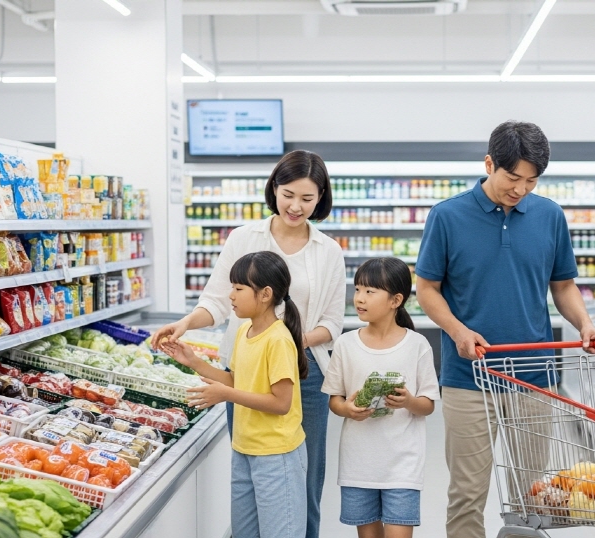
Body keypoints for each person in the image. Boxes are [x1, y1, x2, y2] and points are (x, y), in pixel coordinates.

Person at [414, 120, 595, 537]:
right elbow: (426, 288)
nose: (521, 189)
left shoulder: (550, 216)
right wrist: (457, 331)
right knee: (467, 492)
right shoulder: (447, 216)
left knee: (531, 493)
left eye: (532, 181)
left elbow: (563, 285)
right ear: (489, 163)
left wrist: (584, 322)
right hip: (470, 379)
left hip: (534, 377)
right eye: (513, 177)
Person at [151, 150, 345, 538]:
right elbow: (218, 300)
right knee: (252, 466)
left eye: (307, 199)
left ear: (321, 197)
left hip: (305, 373)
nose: (295, 206)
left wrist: (286, 341)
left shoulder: (328, 251)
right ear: (274, 188)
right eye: (288, 194)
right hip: (243, 367)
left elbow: (332, 323)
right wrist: (187, 323)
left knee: (304, 476)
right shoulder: (244, 237)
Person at [161, 251, 308, 538]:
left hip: (276, 454)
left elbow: (281, 403)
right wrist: (195, 362)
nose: (231, 296)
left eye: (239, 288)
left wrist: (226, 394)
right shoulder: (244, 332)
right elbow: (238, 380)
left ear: (265, 294)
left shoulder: (278, 340)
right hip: (244, 449)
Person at [322, 257, 440, 538]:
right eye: (358, 289)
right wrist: (348, 409)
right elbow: (334, 400)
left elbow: (428, 405)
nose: (359, 298)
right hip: (358, 464)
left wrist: (408, 402)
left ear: (395, 300)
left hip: (403, 465)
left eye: (370, 292)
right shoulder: (345, 344)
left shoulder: (417, 345)